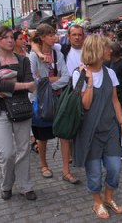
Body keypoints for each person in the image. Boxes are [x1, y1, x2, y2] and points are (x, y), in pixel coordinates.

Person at [72, 34, 122, 219]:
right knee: (95, 173)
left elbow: (114, 100)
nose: (110, 51)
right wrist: (89, 82)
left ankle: (108, 198)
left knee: (114, 167)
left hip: (111, 129)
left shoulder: (110, 72)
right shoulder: (79, 74)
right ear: (97, 50)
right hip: (90, 133)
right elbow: (86, 105)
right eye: (106, 48)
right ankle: (97, 202)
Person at [0, 26, 37, 200]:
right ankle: (6, 185)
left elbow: (31, 82)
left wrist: (7, 84)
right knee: (6, 153)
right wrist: (21, 85)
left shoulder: (23, 60)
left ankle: (25, 185)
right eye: (5, 37)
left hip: (21, 109)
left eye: (12, 37)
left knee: (24, 149)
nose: (10, 40)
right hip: (0, 111)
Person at [29, 24, 74, 182]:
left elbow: (66, 76)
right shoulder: (34, 56)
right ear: (42, 37)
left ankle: (66, 170)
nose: (54, 37)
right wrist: (49, 82)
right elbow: (33, 81)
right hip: (40, 100)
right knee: (42, 135)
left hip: (58, 98)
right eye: (50, 35)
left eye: (54, 34)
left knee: (63, 134)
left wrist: (48, 84)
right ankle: (43, 165)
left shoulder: (57, 52)